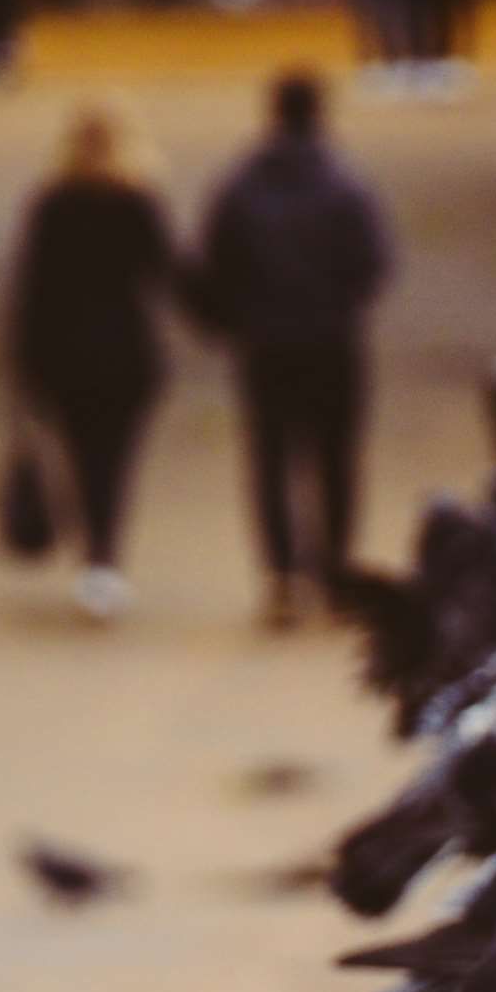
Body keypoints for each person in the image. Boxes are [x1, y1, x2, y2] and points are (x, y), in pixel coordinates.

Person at [195, 71, 392, 627]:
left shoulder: (241, 185)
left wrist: (235, 316)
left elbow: (215, 263)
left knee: (271, 458)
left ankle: (282, 574)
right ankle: (333, 569)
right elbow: (374, 265)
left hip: (266, 342)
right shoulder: (346, 184)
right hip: (332, 340)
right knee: (335, 459)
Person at [9, 104, 184, 618]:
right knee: (116, 460)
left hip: (63, 356)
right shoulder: (139, 203)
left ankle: (95, 556)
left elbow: (30, 292)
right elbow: (171, 276)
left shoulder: (51, 205)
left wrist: (22, 365)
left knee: (82, 455)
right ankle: (104, 559)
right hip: (128, 355)